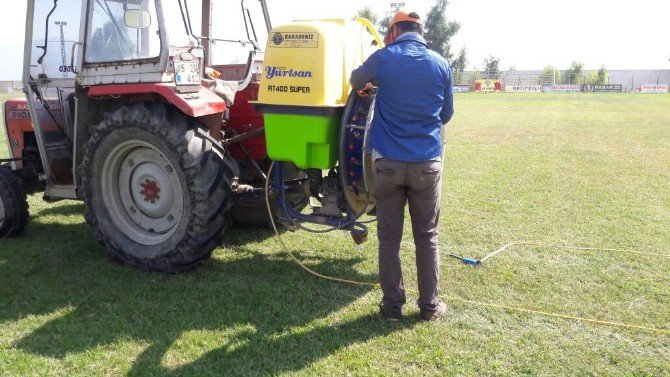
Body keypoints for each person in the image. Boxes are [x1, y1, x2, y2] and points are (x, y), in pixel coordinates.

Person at [350, 10, 454, 321]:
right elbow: (446, 114)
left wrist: (370, 86)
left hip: (388, 166)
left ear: (394, 30)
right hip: (426, 165)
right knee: (427, 237)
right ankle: (429, 307)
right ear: (421, 32)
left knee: (389, 239)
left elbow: (355, 79)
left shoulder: (384, 58)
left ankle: (392, 307)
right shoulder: (440, 63)